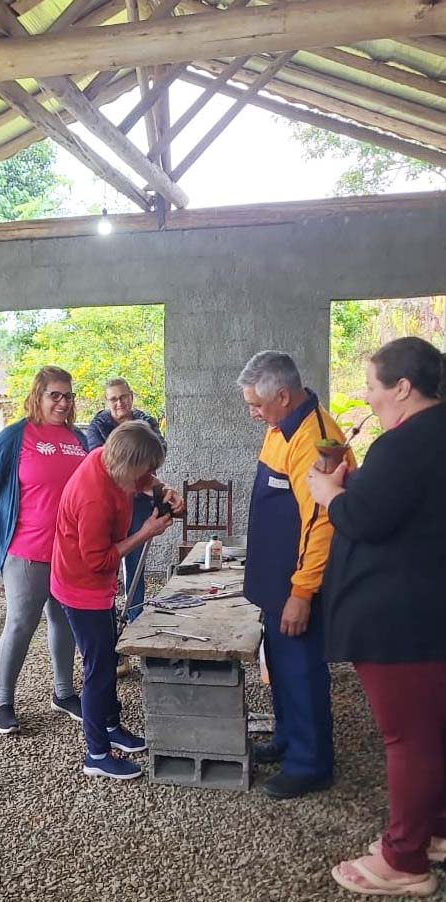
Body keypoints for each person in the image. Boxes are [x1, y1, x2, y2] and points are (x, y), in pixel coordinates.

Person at [308, 337, 446, 898]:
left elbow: (365, 520)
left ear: (403, 388)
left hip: (398, 619)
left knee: (407, 738)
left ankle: (405, 860)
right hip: (429, 608)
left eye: (371, 385)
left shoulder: (403, 444)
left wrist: (328, 492)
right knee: (433, 729)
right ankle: (433, 828)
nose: (368, 397)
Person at [237, 351, 354, 800]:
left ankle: (310, 764)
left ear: (283, 396)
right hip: (275, 579)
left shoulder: (319, 439)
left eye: (257, 405)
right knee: (282, 668)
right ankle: (287, 739)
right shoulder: (279, 426)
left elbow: (323, 522)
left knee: (302, 671)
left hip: (298, 583)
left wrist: (302, 592)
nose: (253, 413)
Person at [51, 421, 183, 779]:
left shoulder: (104, 458)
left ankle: (111, 725)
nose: (152, 475)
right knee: (99, 668)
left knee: (108, 655)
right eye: (148, 469)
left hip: (95, 585)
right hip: (82, 587)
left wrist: (164, 489)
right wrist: (146, 532)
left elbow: (145, 481)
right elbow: (98, 561)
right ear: (127, 465)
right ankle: (95, 754)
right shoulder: (93, 496)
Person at [0, 366, 87, 736]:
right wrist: (14, 508)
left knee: (63, 619)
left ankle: (64, 692)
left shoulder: (77, 438)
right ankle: (2, 701)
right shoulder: (15, 436)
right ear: (37, 396)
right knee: (21, 622)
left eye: (67, 395)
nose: (62, 401)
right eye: (55, 394)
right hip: (27, 548)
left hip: (69, 550)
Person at [86, 378, 167, 623]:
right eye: (113, 399)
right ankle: (108, 617)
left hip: (139, 500)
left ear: (131, 397)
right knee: (105, 563)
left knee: (135, 563)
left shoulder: (147, 421)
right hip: (108, 503)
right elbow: (102, 461)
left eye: (123, 397)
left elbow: (157, 454)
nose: (119, 402)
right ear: (106, 401)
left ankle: (135, 618)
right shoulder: (98, 424)